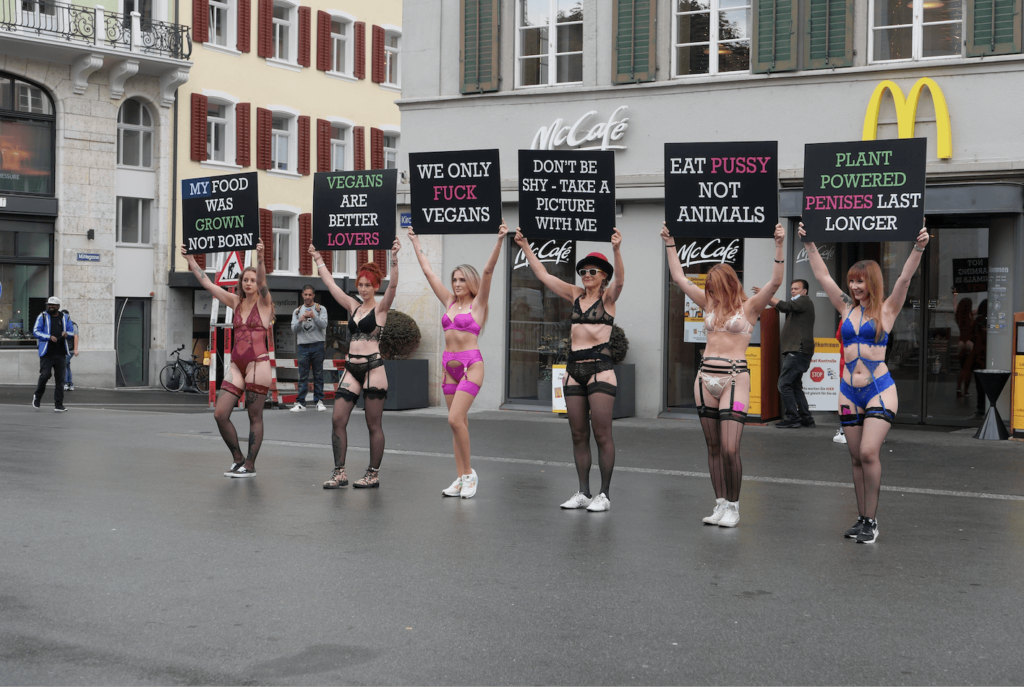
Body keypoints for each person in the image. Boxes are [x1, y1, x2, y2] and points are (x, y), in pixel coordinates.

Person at [801, 222, 930, 544]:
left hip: (879, 390)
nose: (855, 287)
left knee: (870, 452)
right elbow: (822, 277)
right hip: (847, 391)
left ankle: (872, 520)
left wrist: (918, 247)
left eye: (860, 281)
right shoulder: (845, 308)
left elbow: (904, 279)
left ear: (871, 281)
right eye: (852, 282)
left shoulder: (887, 310)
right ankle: (861, 518)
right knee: (856, 456)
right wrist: (809, 243)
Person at [662, 222, 786, 528]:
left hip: (734, 378)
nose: (711, 291)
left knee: (731, 447)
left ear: (729, 283)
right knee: (713, 446)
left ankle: (734, 505)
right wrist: (670, 243)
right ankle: (719, 504)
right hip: (705, 377)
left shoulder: (750, 307)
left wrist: (779, 245)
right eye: (709, 288)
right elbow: (678, 278)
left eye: (716, 287)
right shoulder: (709, 305)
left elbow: (775, 281)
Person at [514, 227, 624, 512]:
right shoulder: (575, 294)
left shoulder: (608, 299)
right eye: (584, 271)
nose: (586, 275)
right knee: (578, 434)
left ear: (604, 276)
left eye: (593, 271)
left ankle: (605, 495)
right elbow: (544, 276)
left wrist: (616, 249)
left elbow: (621, 279)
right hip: (574, 369)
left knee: (602, 434)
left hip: (600, 369)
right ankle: (583, 492)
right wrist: (525, 245)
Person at [408, 222, 507, 499]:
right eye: (455, 279)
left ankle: (469, 475)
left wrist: (499, 241)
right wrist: (416, 243)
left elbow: (488, 271)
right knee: (457, 423)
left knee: (454, 419)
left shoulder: (479, 304)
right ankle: (461, 476)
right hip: (448, 366)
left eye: (462, 279)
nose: (457, 284)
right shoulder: (450, 301)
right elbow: (428, 272)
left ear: (471, 282)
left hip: (471, 365)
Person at [309, 238, 401, 489]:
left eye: (367, 285)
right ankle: (339, 472)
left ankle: (373, 474)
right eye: (360, 284)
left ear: (375, 286)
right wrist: (318, 258)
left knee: (373, 424)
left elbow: (393, 285)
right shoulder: (353, 306)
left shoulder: (381, 309)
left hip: (373, 367)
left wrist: (393, 257)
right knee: (338, 419)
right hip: (352, 368)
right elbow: (329, 284)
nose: (362, 289)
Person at [182, 241, 273, 478]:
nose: (250, 283)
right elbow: (208, 284)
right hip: (237, 365)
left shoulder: (264, 303)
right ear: (241, 282)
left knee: (255, 416)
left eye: (252, 280)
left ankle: (250, 466)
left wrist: (260, 258)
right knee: (220, 414)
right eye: (246, 280)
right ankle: (238, 458)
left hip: (258, 363)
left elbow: (264, 282)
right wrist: (192, 261)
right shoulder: (235, 302)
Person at [753, 279, 816, 428]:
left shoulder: (804, 301)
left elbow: (785, 305)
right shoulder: (798, 305)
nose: (793, 290)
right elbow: (783, 307)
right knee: (795, 385)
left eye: (796, 288)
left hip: (797, 350)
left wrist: (766, 294)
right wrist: (767, 299)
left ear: (804, 291)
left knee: (783, 384)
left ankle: (793, 418)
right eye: (792, 288)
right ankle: (806, 418)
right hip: (799, 350)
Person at [290, 285, 328, 412]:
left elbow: (324, 325)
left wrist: (314, 316)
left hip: (317, 345)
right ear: (302, 295)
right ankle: (301, 403)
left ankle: (319, 401)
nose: (307, 297)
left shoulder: (320, 309)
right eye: (305, 294)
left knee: (318, 374)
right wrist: (300, 320)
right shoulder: (297, 311)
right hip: (303, 346)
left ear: (313, 295)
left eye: (310, 294)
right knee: (302, 375)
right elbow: (294, 330)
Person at [32, 296, 74, 412]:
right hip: (47, 352)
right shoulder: (43, 316)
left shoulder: (65, 317)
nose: (50, 306)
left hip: (61, 352)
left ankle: (59, 405)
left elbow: (72, 332)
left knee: (60, 379)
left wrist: (67, 334)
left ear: (58, 306)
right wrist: (48, 337)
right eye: (49, 304)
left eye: (53, 305)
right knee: (45, 375)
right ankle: (37, 396)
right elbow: (35, 331)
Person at [954, 297, 975, 399]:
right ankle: (966, 390)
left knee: (962, 368)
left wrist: (954, 295)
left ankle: (958, 389)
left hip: (961, 341)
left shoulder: (958, 316)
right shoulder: (971, 316)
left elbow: (954, 306)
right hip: (969, 342)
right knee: (968, 369)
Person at [833, 320, 847, 444]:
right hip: (868, 370)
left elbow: (838, 337)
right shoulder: (873, 316)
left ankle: (844, 431)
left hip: (846, 367)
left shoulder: (846, 316)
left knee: (846, 402)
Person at [62, 309, 79, 392]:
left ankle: (66, 383)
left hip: (70, 349)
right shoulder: (63, 324)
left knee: (64, 365)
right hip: (65, 349)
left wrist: (75, 349)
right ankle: (70, 384)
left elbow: (76, 336)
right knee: (67, 366)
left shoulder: (72, 324)